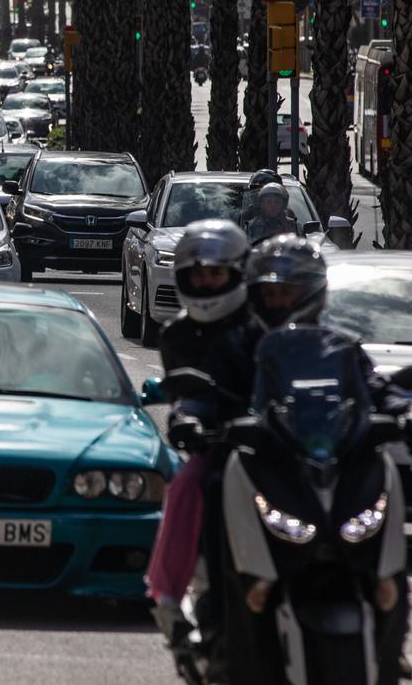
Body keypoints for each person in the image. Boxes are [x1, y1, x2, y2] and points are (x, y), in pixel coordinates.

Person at [237, 234, 412, 683]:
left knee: (386, 541)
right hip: (267, 467)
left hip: (333, 471)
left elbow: (378, 388)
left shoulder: (340, 349)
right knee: (203, 487)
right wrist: (201, 419)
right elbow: (215, 393)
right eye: (270, 292)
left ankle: (391, 638)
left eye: (288, 292)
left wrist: (409, 411)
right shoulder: (242, 345)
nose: (278, 301)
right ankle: (206, 602)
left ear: (313, 295)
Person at [146, 219, 257, 683]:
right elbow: (184, 392)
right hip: (219, 446)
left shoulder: (262, 323)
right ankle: (168, 599)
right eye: (198, 274)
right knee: (189, 482)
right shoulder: (177, 335)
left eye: (216, 272)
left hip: (280, 445)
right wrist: (186, 421)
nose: (207, 282)